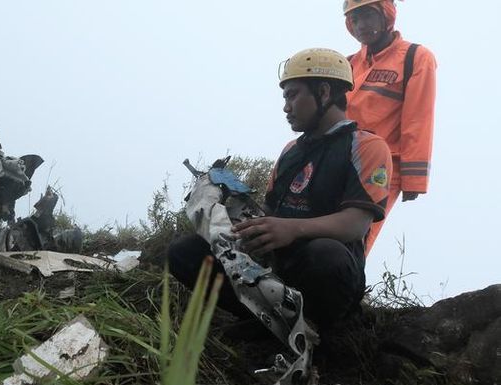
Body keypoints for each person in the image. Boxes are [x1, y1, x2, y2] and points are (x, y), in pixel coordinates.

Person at [168, 48, 392, 331]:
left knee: (327, 255)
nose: (286, 107)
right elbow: (270, 211)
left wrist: (290, 229)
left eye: (292, 95)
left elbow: (355, 224)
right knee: (183, 251)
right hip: (275, 272)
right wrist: (232, 216)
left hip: (328, 272)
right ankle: (263, 322)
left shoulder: (367, 146)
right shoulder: (290, 152)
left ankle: (315, 330)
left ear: (323, 92)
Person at [343, 0, 437, 254]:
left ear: (387, 16)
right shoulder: (348, 63)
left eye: (368, 16)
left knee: (356, 240)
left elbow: (418, 119)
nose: (361, 25)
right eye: (355, 19)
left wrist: (414, 179)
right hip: (337, 159)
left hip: (382, 168)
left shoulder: (415, 57)